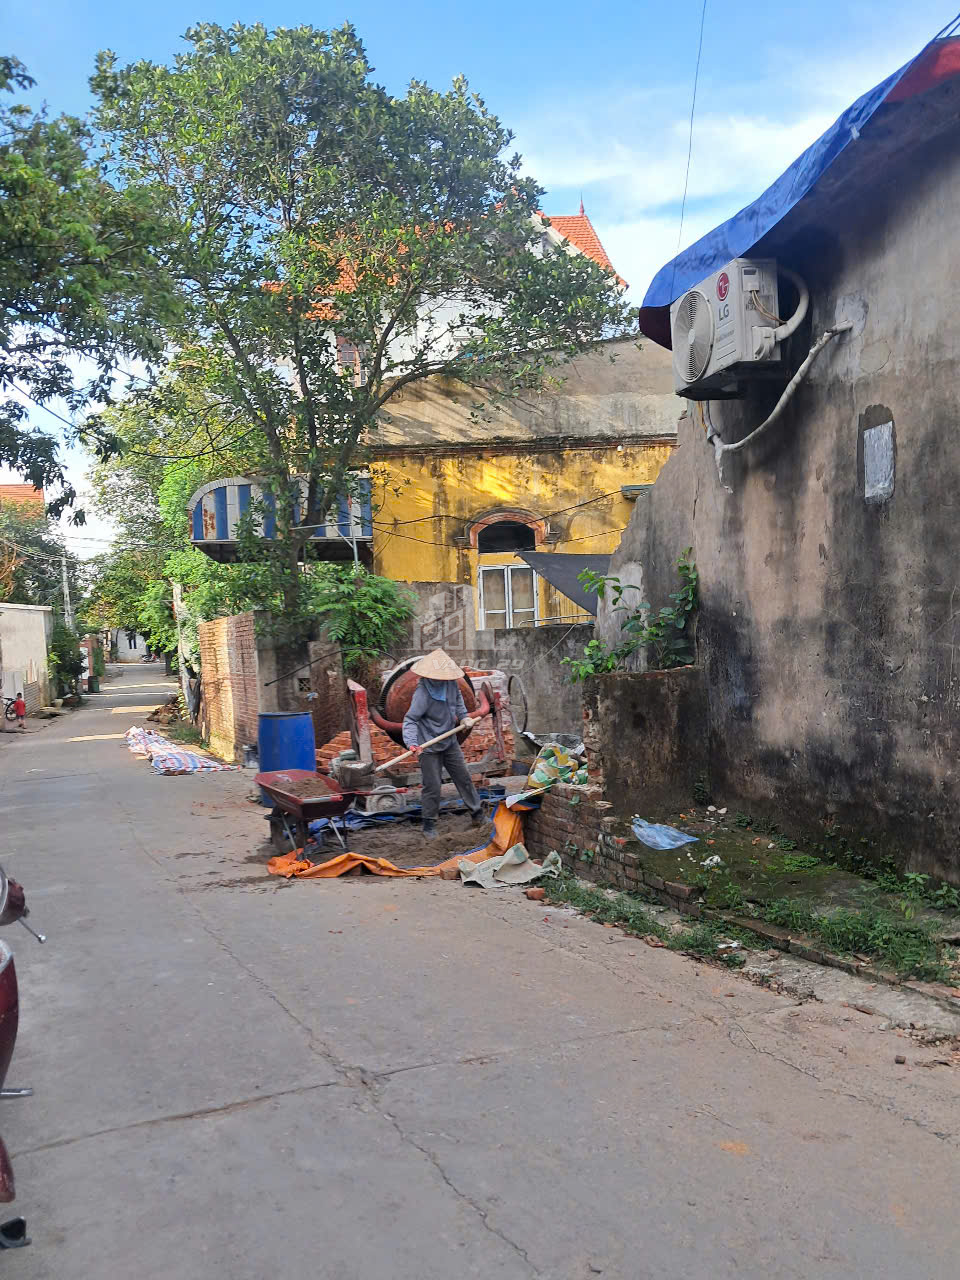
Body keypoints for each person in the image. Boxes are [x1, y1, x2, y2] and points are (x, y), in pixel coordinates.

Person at [401, 650, 485, 839]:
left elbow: (459, 705)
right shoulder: (423, 693)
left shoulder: (452, 685)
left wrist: (464, 718)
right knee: (432, 785)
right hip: (428, 744)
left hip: (449, 741)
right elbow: (410, 720)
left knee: (463, 777)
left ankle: (477, 814)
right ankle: (429, 824)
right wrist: (412, 743)